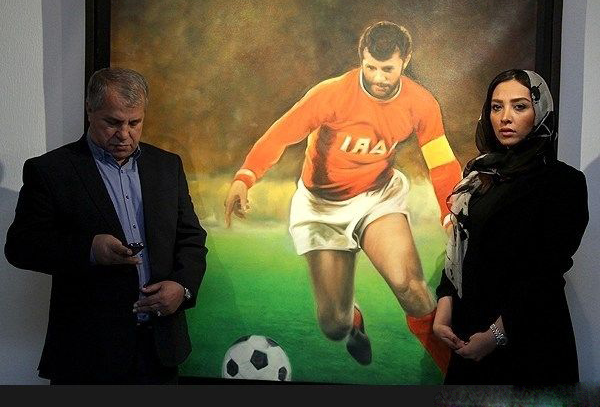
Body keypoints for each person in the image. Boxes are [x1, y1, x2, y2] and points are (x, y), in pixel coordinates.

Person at [224, 21, 461, 372]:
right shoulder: (331, 94)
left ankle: (457, 374)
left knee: (412, 289)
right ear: (361, 58)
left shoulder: (420, 103)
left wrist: (450, 214)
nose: (378, 77)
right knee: (333, 323)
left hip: (378, 196)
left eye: (388, 69)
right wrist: (245, 177)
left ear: (405, 61)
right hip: (320, 207)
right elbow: (280, 135)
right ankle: (352, 322)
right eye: (371, 67)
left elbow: (441, 163)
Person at [4, 68, 208, 384]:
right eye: (112, 122)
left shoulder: (167, 166)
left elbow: (191, 238)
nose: (124, 134)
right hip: (86, 354)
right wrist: (89, 249)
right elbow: (21, 247)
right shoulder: (50, 170)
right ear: (90, 110)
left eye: (134, 123)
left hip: (160, 350)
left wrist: (182, 288)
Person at [433, 69, 589, 384]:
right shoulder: (479, 179)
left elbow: (546, 272)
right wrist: (444, 309)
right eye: (496, 107)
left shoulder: (563, 182)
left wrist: (496, 335)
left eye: (519, 106)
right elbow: (462, 252)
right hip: (470, 336)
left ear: (540, 112)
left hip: (529, 341)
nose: (505, 117)